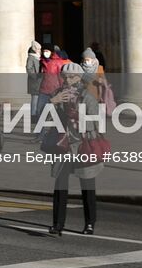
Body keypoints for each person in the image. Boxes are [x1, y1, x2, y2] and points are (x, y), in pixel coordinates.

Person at [46, 62, 103, 236]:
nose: (67, 80)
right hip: (63, 145)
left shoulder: (86, 96)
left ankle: (90, 223)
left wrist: (78, 115)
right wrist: (52, 103)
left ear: (80, 78)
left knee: (87, 185)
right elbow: (44, 119)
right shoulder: (57, 95)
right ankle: (57, 224)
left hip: (83, 145)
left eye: (72, 77)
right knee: (60, 185)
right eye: (64, 77)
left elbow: (98, 123)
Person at [25, 40, 42, 117]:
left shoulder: (38, 57)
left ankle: (37, 113)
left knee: (38, 98)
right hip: (34, 81)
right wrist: (35, 76)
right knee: (35, 98)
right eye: (38, 49)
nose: (39, 50)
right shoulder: (31, 57)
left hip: (39, 81)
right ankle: (33, 114)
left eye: (40, 49)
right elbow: (29, 68)